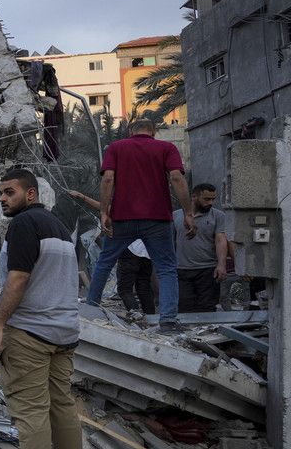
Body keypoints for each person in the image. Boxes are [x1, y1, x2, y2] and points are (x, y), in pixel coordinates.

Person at [0, 169, 82, 449]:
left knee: (31, 414)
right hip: (64, 334)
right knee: (62, 407)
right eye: (0, 193)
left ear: (30, 194)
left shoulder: (23, 224)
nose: (2, 199)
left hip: (30, 335)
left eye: (9, 192)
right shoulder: (59, 227)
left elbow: (18, 279)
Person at [85, 119, 194, 334]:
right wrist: (188, 213)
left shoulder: (116, 148)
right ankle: (168, 321)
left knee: (105, 263)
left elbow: (107, 179)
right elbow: (176, 177)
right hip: (157, 219)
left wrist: (104, 212)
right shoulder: (166, 148)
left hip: (122, 218)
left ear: (130, 131)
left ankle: (89, 311)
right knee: (166, 268)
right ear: (153, 131)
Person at [69, 190, 155, 315]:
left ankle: (136, 314)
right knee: (144, 286)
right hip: (146, 252)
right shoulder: (145, 207)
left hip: (130, 252)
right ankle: (151, 316)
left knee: (124, 289)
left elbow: (104, 208)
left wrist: (83, 197)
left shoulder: (124, 207)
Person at [174, 184, 228, 313]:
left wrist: (222, 265)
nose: (211, 203)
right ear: (194, 197)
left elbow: (220, 240)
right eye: (207, 199)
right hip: (182, 270)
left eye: (213, 199)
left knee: (207, 309)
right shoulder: (176, 216)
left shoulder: (218, 216)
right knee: (184, 308)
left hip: (207, 270)